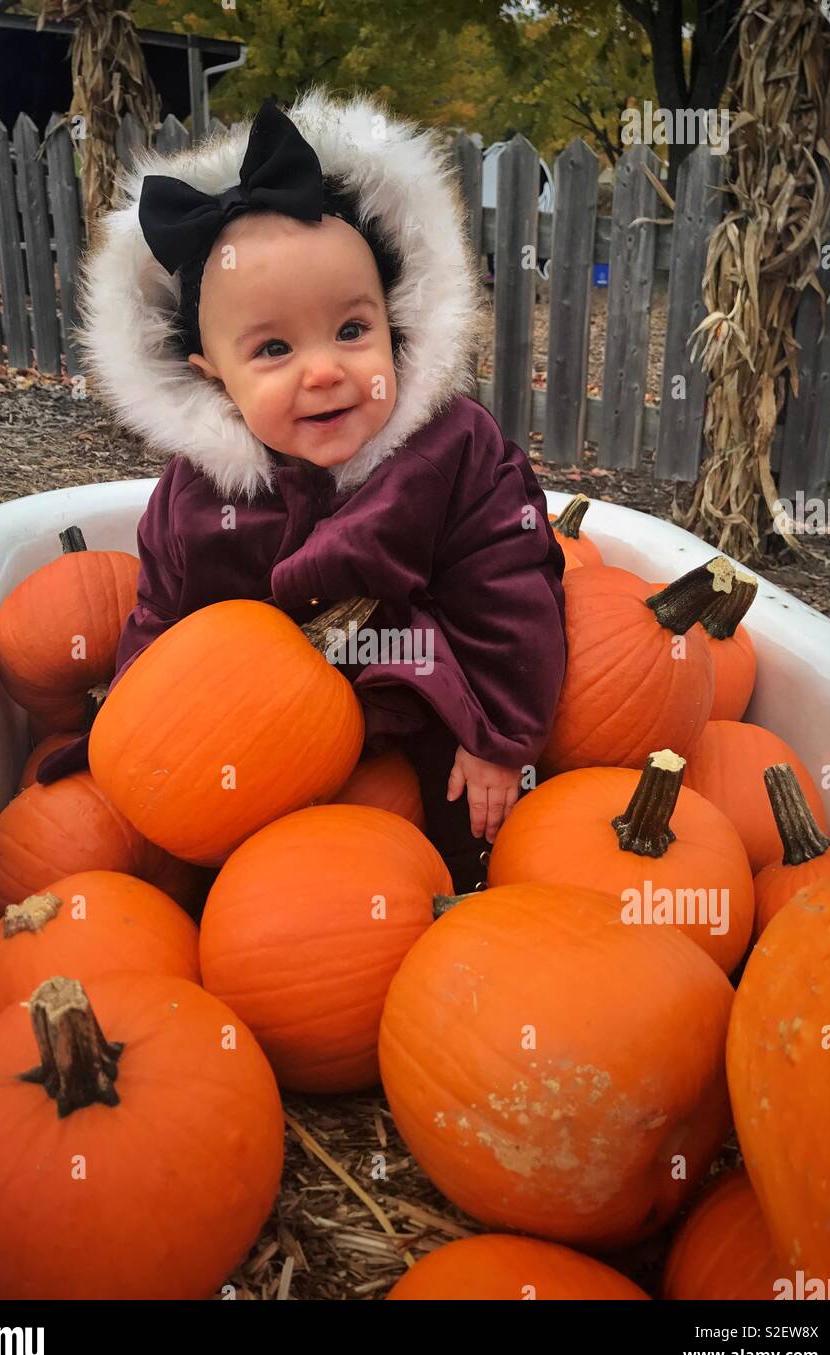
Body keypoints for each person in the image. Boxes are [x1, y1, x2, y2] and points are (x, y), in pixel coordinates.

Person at [36, 89, 567, 893]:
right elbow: (164, 616)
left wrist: (499, 734)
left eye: (352, 331)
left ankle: (462, 907)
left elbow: (510, 583)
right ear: (213, 380)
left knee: (469, 837)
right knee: (213, 871)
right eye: (274, 348)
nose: (324, 370)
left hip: (428, 718)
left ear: (397, 326)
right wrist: (129, 725)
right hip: (260, 746)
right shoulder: (193, 498)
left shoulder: (453, 451)